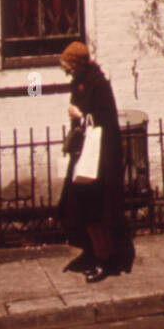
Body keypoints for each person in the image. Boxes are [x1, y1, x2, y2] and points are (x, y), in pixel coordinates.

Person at [56, 40, 131, 282]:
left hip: (99, 159)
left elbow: (105, 120)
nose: (64, 69)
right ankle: (95, 252)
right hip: (84, 156)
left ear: (76, 63)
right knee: (84, 209)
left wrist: (81, 115)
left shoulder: (98, 85)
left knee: (97, 209)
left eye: (67, 64)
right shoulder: (79, 82)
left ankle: (105, 259)